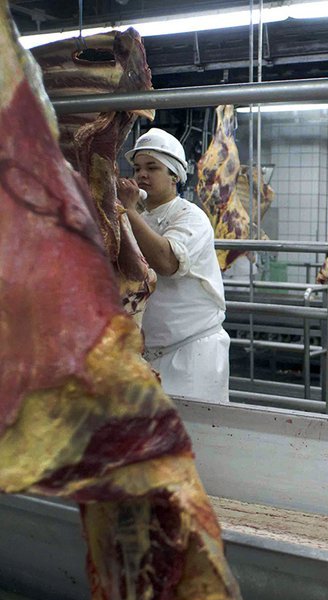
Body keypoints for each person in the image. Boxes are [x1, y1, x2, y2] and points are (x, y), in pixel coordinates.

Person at [116, 128, 231, 403]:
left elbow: (166, 262)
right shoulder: (136, 215)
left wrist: (129, 210)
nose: (142, 175)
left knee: (196, 435)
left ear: (175, 176)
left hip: (192, 354)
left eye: (152, 168)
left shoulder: (190, 216)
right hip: (147, 353)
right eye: (137, 168)